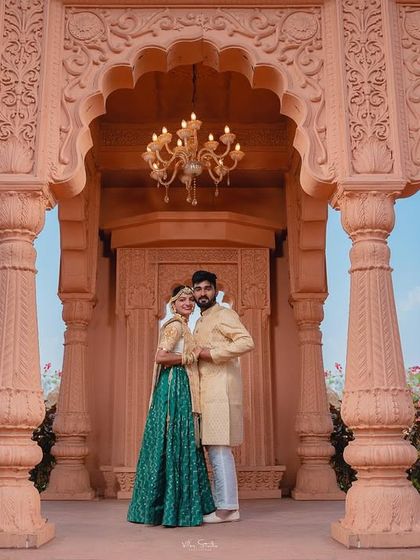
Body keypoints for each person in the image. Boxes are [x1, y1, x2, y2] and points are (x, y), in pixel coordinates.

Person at [127, 285, 215, 527]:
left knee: (180, 440)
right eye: (182, 300)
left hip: (181, 385)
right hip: (174, 386)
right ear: (173, 304)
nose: (188, 303)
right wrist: (187, 358)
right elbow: (160, 356)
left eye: (191, 300)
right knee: (176, 439)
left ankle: (171, 508)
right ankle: (171, 509)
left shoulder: (185, 326)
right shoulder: (175, 326)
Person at [192, 270, 254, 523]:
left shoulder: (224, 314)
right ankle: (225, 504)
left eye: (207, 288)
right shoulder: (200, 321)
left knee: (219, 449)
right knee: (212, 449)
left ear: (215, 291)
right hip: (206, 393)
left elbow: (246, 342)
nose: (202, 293)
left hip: (221, 391)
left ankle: (228, 508)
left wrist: (211, 353)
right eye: (198, 289)